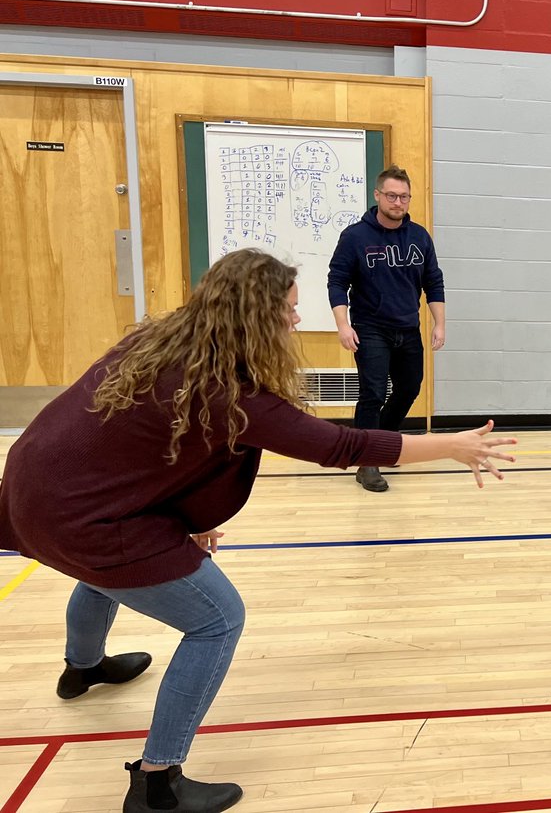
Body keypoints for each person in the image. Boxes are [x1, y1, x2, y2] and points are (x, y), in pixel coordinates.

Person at [0, 249, 516, 812]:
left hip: (33, 490)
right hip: (80, 517)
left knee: (104, 573)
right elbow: (341, 446)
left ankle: (83, 667)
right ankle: (157, 782)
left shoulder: (162, 341)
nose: (297, 321)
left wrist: (178, 519)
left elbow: (133, 450)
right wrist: (454, 446)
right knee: (217, 619)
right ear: (253, 316)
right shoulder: (231, 393)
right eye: (289, 311)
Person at [328, 165, 445, 493]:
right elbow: (337, 281)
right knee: (373, 393)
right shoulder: (355, 237)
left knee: (409, 388)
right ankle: (368, 462)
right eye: (392, 195)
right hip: (370, 328)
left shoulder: (419, 236)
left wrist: (439, 323)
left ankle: (383, 442)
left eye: (404, 197)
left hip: (408, 328)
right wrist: (343, 325)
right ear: (378, 195)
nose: (398, 202)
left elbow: (433, 281)